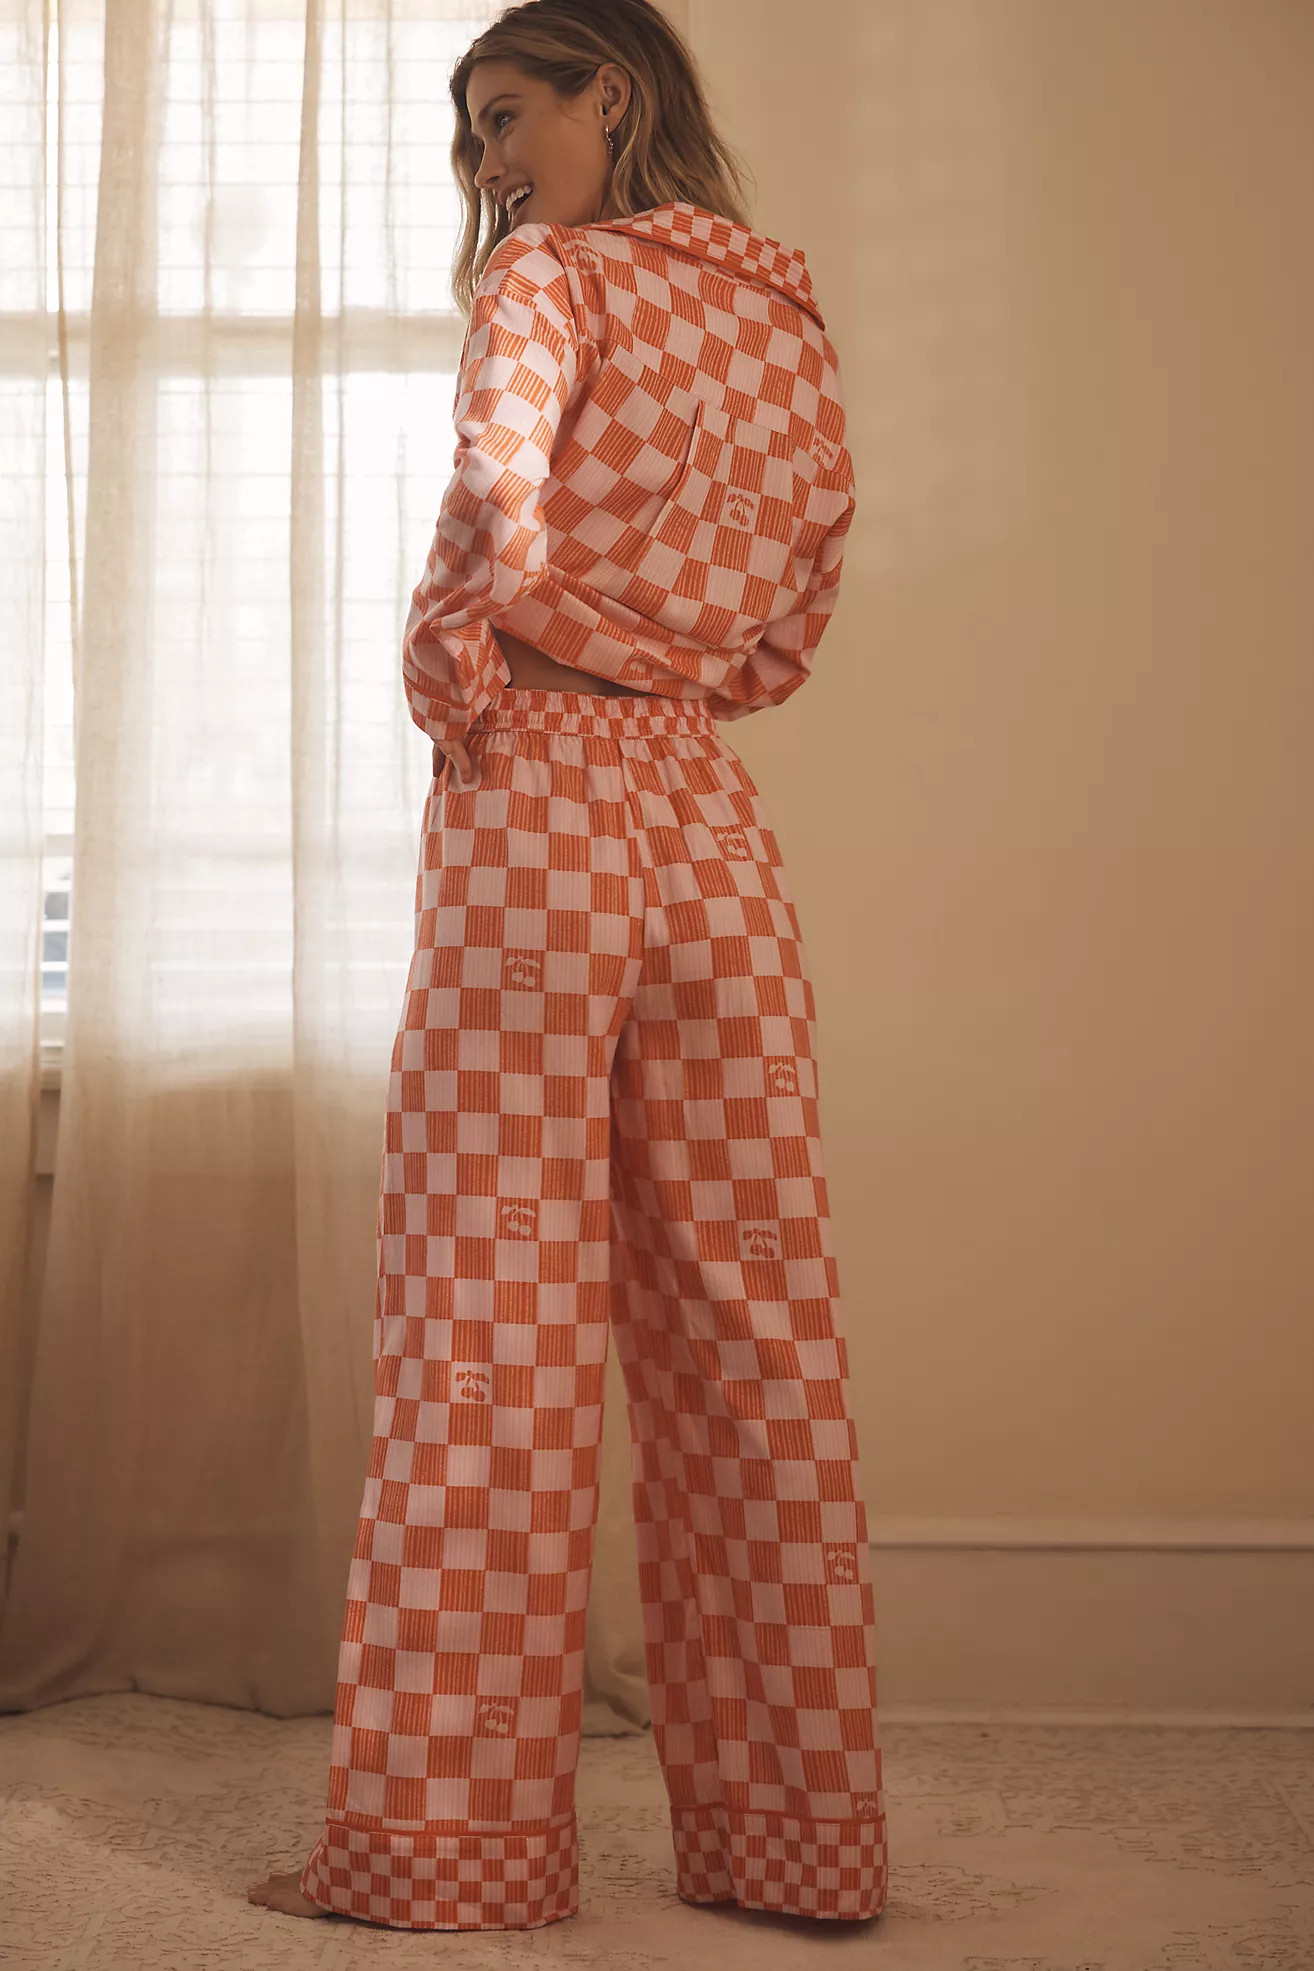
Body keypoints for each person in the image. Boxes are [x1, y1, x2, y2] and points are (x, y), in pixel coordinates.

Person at [248, 0, 887, 1932]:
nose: (491, 162)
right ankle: (796, 1848)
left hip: (538, 784)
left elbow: (494, 505)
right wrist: (671, 676)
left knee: (487, 1315)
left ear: (611, 92)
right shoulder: (781, 316)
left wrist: (460, 672)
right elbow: (797, 614)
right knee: (754, 1323)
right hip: (705, 819)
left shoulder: (549, 282)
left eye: (509, 111)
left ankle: (442, 1854)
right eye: (474, 134)